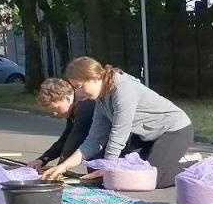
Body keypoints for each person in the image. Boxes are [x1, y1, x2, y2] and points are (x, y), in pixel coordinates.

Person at [42, 57, 194, 187]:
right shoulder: (101, 100)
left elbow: (119, 134)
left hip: (175, 130)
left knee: (154, 180)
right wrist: (63, 166)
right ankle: (170, 160)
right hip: (149, 137)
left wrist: (108, 168)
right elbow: (93, 140)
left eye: (80, 87)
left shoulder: (123, 89)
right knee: (123, 172)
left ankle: (195, 166)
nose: (79, 93)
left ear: (93, 77)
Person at [31, 77, 96, 173]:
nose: (55, 113)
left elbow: (75, 139)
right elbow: (66, 138)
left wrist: (59, 168)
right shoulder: (74, 106)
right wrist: (43, 159)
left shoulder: (85, 106)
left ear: (67, 98)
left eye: (56, 108)